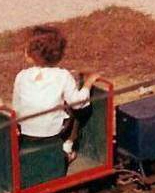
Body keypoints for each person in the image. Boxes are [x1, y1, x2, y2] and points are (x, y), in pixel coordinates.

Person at [11, 26, 98, 159]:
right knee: (76, 110)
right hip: (51, 133)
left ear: (30, 55)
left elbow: (16, 107)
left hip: (26, 132)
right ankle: (67, 147)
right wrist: (88, 83)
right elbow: (78, 103)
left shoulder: (22, 76)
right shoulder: (62, 76)